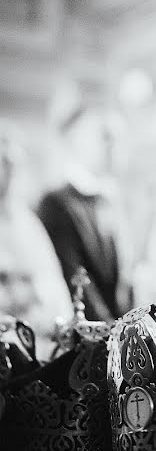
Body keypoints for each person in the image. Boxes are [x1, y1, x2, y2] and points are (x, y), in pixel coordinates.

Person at [36, 101, 129, 322]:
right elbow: (75, 282)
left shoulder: (105, 201)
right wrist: (112, 331)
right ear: (76, 139)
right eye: (100, 135)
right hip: (87, 336)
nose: (108, 145)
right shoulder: (55, 204)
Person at [0, 122, 72, 360]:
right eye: (3, 162)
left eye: (13, 164)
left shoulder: (27, 222)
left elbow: (54, 287)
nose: (9, 171)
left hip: (38, 344)